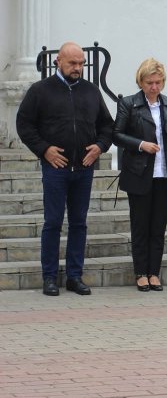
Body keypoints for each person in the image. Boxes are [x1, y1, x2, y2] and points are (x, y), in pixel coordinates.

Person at [16, 42, 114, 296]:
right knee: (53, 222)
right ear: (58, 61)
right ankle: (49, 277)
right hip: (55, 168)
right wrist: (44, 149)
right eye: (72, 63)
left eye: (81, 63)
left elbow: (107, 126)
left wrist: (100, 147)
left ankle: (74, 276)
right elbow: (24, 125)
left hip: (83, 167)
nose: (78, 68)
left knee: (79, 223)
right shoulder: (40, 91)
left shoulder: (91, 92)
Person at [112, 58, 167, 292]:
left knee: (158, 227)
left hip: (164, 174)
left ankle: (155, 272)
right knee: (140, 226)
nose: (154, 87)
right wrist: (141, 144)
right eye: (149, 82)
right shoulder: (129, 104)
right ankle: (141, 272)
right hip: (140, 173)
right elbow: (117, 135)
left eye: (158, 82)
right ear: (141, 82)